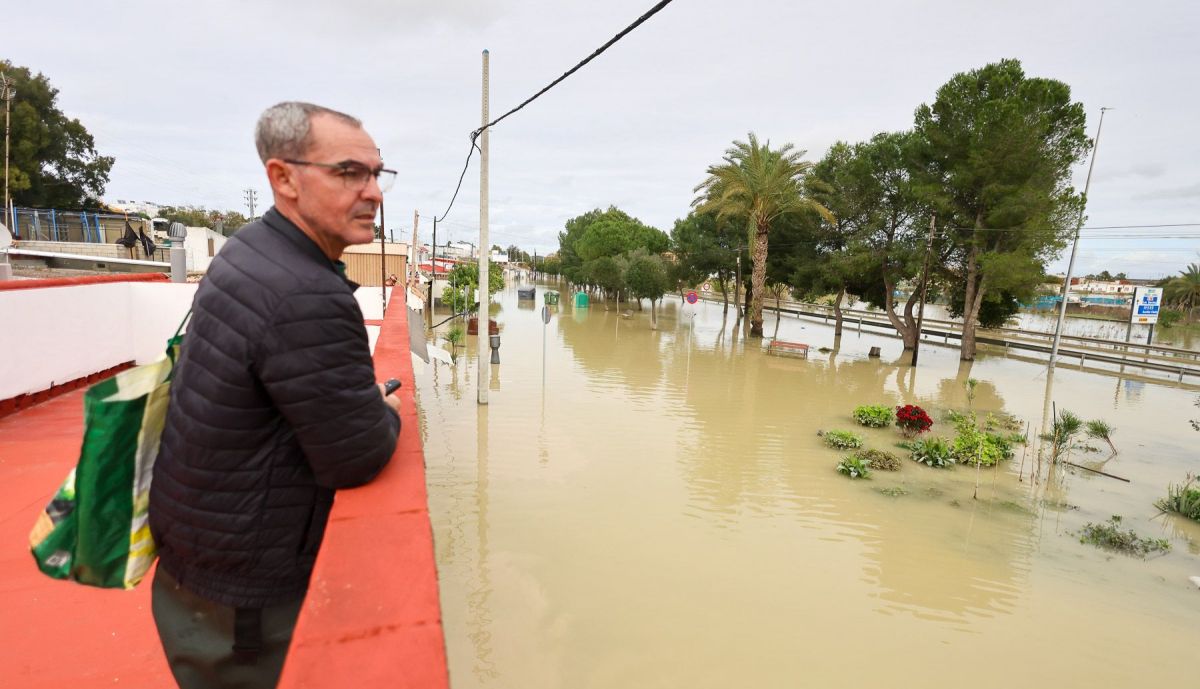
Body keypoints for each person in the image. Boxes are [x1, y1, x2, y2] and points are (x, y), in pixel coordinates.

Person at [148, 102, 403, 689]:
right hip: (245, 601)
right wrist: (381, 410)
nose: (373, 193)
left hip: (200, 563)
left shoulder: (250, 249)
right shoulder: (306, 292)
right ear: (282, 177)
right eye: (348, 173)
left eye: (377, 174)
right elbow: (358, 455)